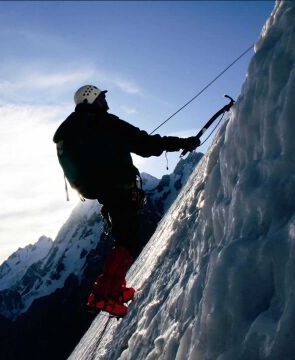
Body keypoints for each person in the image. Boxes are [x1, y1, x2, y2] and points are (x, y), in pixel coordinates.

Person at [53, 85, 200, 317]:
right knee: (127, 242)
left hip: (105, 192)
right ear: (92, 100)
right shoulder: (105, 123)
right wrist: (182, 142)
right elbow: (145, 144)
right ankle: (104, 296)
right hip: (120, 190)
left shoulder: (75, 129)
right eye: (101, 97)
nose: (105, 100)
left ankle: (115, 289)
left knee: (123, 238)